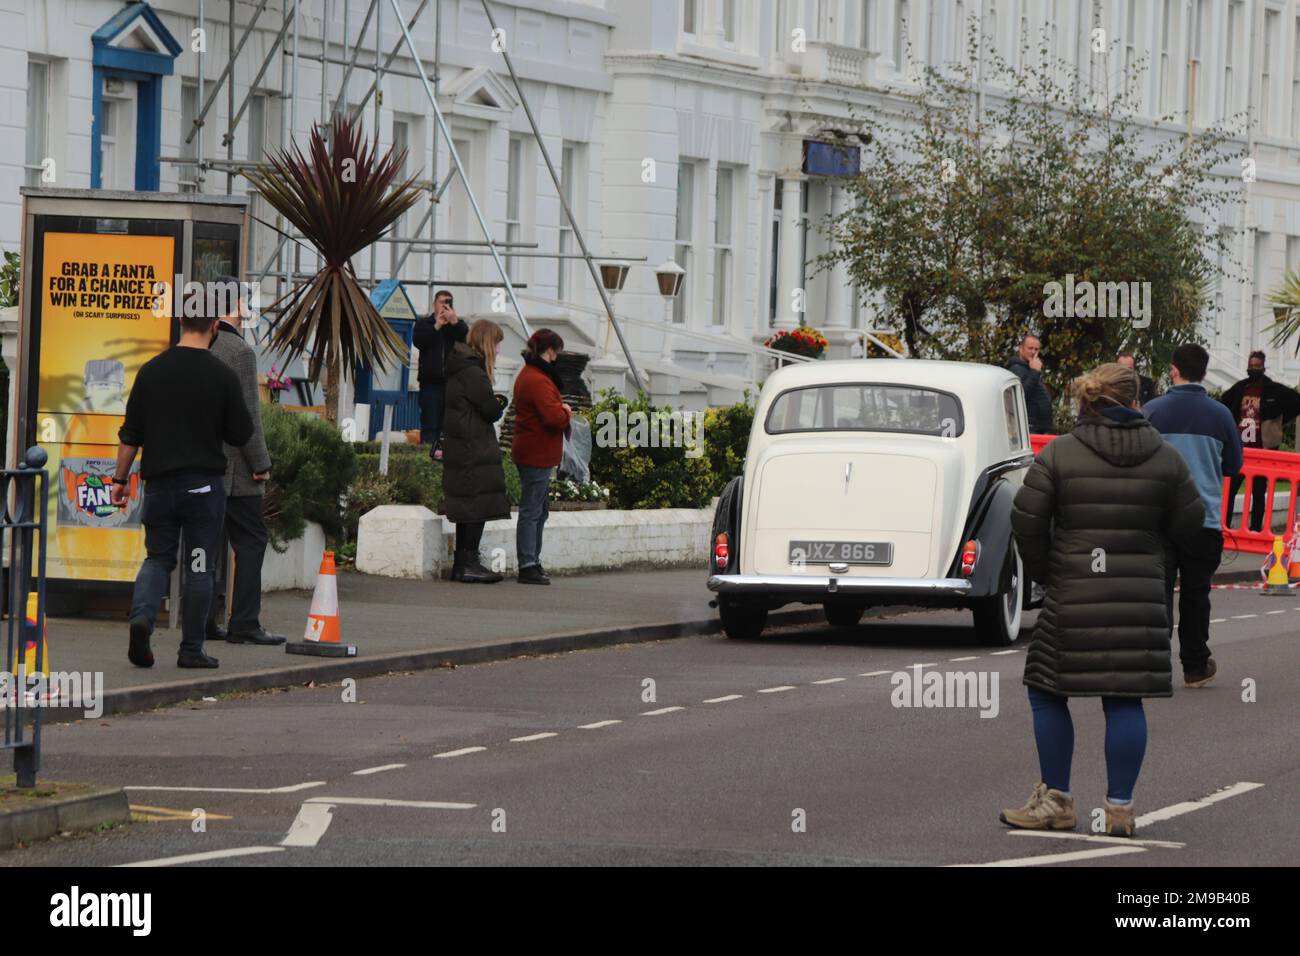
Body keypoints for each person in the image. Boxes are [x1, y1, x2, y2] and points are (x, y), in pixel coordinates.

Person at [1005, 363, 1204, 837]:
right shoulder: (1166, 458)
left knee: (1048, 691)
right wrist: (1157, 556)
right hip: (1139, 598)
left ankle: (1055, 800)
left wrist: (1047, 573)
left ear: (1088, 401)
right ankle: (1119, 810)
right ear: (1136, 402)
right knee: (1124, 698)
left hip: (1072, 595)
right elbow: (1191, 525)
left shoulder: (1060, 454)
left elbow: (1025, 519)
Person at [111, 301, 254, 670]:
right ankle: (191, 651)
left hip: (159, 487)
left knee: (157, 558)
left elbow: (130, 435)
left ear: (179, 322)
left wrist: (119, 480)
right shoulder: (221, 375)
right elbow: (241, 431)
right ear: (215, 327)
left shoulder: (151, 371)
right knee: (199, 566)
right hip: (203, 489)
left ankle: (142, 617)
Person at [1144, 343, 1244, 689]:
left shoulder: (1151, 412)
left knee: (1158, 592)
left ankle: (1155, 665)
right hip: (1204, 520)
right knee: (1196, 593)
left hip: (1159, 519)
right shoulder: (1220, 416)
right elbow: (1233, 465)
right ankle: (1195, 665)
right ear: (1203, 372)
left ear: (1174, 369)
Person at [203, 277, 284, 645]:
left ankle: (203, 619)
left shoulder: (198, 346)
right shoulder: (240, 352)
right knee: (251, 542)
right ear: (237, 304)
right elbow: (249, 416)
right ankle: (245, 623)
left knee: (207, 544)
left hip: (201, 466)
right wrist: (261, 463)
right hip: (236, 471)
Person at [442, 319, 510, 584]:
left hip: (462, 446)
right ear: (487, 343)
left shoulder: (460, 367)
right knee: (476, 507)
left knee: (468, 507)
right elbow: (490, 410)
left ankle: (463, 563)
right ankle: (468, 564)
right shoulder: (474, 373)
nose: (499, 348)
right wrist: (498, 404)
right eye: (497, 342)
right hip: (473, 448)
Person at [511, 329, 572, 585]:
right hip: (536, 453)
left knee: (539, 510)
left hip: (535, 451)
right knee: (532, 511)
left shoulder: (530, 374)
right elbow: (553, 417)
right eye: (556, 351)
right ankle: (527, 564)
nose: (557, 356)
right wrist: (566, 410)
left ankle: (532, 561)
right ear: (550, 350)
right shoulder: (537, 379)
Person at [1220, 351, 1300, 531]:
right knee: (1231, 489)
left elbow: (1296, 401)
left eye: (1257, 365)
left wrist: (1278, 421)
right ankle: (1225, 527)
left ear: (1264, 367)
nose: (1254, 368)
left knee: (1258, 493)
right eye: (1251, 365)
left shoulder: (1274, 390)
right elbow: (1224, 401)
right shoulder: (1240, 388)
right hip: (1240, 450)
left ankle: (1256, 529)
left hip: (1262, 451)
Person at [412, 289, 468, 456]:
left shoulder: (455, 325)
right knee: (430, 425)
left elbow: (466, 337)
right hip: (431, 384)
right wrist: (436, 326)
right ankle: (426, 458)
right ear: (434, 304)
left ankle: (445, 460)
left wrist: (454, 322)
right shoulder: (425, 324)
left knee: (448, 427)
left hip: (451, 384)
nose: (445, 305)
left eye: (448, 302)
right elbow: (419, 342)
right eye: (441, 302)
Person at [1008, 334, 1053, 434]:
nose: (1033, 352)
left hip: (1037, 428)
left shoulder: (1030, 368)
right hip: (1029, 428)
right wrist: (1035, 372)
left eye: (1036, 349)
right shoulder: (1016, 368)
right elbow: (1021, 395)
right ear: (1021, 349)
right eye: (1030, 348)